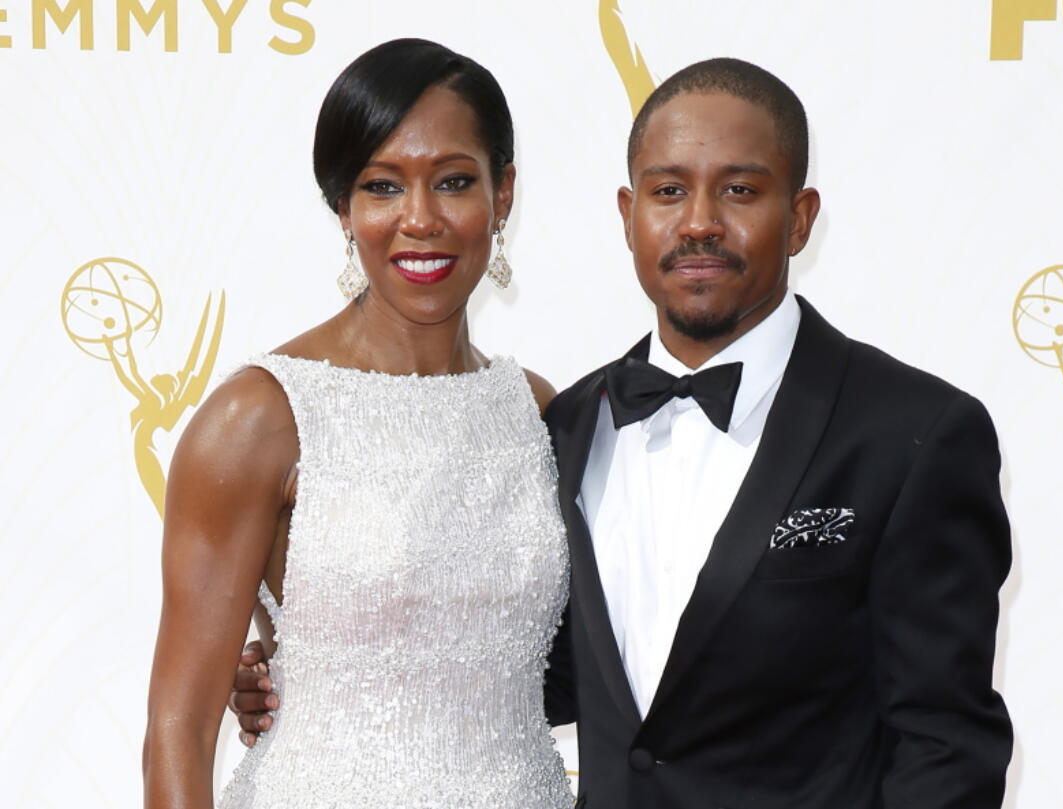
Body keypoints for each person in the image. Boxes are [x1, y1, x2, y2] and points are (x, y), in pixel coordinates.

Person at [235, 58, 1014, 808]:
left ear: (801, 217)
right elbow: (529, 667)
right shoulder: (563, 424)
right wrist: (316, 676)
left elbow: (945, 748)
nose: (700, 222)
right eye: (669, 191)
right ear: (629, 213)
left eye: (740, 190)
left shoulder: (914, 434)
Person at [142, 39, 573, 809]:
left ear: (503, 194)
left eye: (453, 182)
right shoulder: (260, 418)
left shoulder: (540, 411)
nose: (420, 219)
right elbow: (177, 733)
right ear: (343, 207)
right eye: (381, 186)